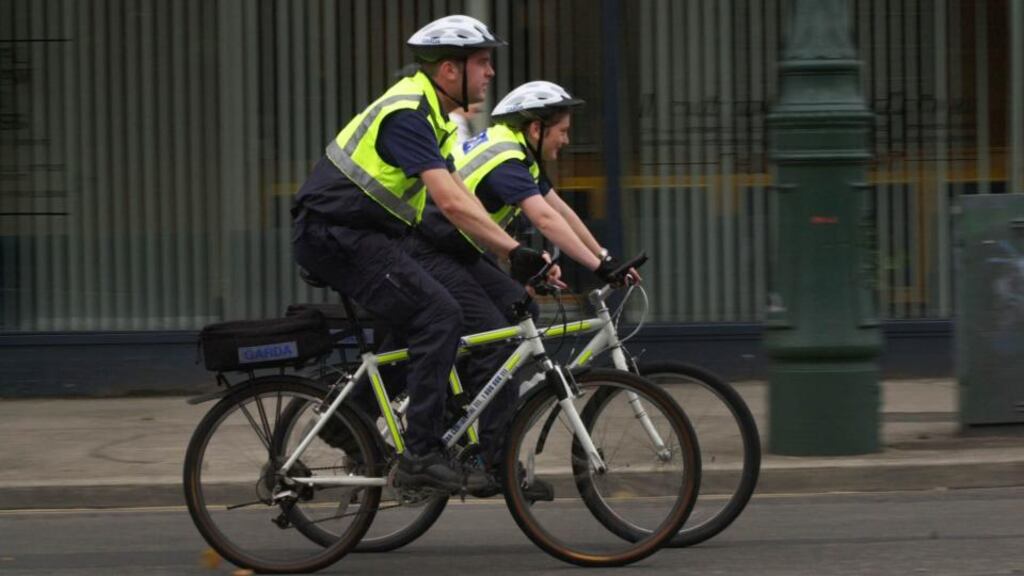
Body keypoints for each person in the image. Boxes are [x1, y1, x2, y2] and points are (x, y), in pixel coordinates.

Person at [291, 15, 550, 494]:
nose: (491, 72)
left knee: (443, 314)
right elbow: (450, 203)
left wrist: (513, 252)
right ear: (449, 70)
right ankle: (420, 455)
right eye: (483, 62)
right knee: (439, 314)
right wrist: (511, 248)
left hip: (370, 236)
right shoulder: (408, 114)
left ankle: (414, 423)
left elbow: (458, 197)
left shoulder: (433, 117)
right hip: (335, 235)